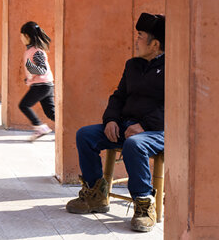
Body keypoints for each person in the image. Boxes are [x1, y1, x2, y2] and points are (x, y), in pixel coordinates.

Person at [66, 12, 165, 233]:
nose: (136, 40)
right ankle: (96, 193)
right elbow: (118, 96)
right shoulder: (132, 65)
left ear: (155, 43)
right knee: (85, 135)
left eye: (140, 36)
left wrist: (145, 126)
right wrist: (111, 119)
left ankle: (143, 203)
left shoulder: (172, 67)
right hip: (125, 125)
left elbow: (174, 105)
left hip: (158, 131)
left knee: (135, 144)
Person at [18, 20, 55, 139]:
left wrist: (30, 75)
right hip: (45, 85)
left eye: (21, 35)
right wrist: (29, 78)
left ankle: (40, 127)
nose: (21, 38)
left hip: (42, 86)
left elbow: (42, 69)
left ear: (27, 36)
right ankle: (68, 129)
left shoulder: (37, 51)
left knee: (24, 105)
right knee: (50, 112)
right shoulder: (32, 50)